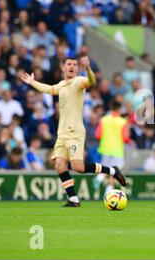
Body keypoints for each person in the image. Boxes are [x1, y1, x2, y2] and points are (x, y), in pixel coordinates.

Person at [20, 56, 126, 207]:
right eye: (69, 64)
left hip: (74, 132)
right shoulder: (62, 84)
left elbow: (91, 82)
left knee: (78, 167)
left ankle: (112, 171)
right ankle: (73, 199)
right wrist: (32, 82)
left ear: (77, 68)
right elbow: (49, 89)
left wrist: (88, 69)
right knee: (59, 166)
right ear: (63, 67)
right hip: (62, 133)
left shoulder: (78, 81)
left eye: (75, 65)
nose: (72, 67)